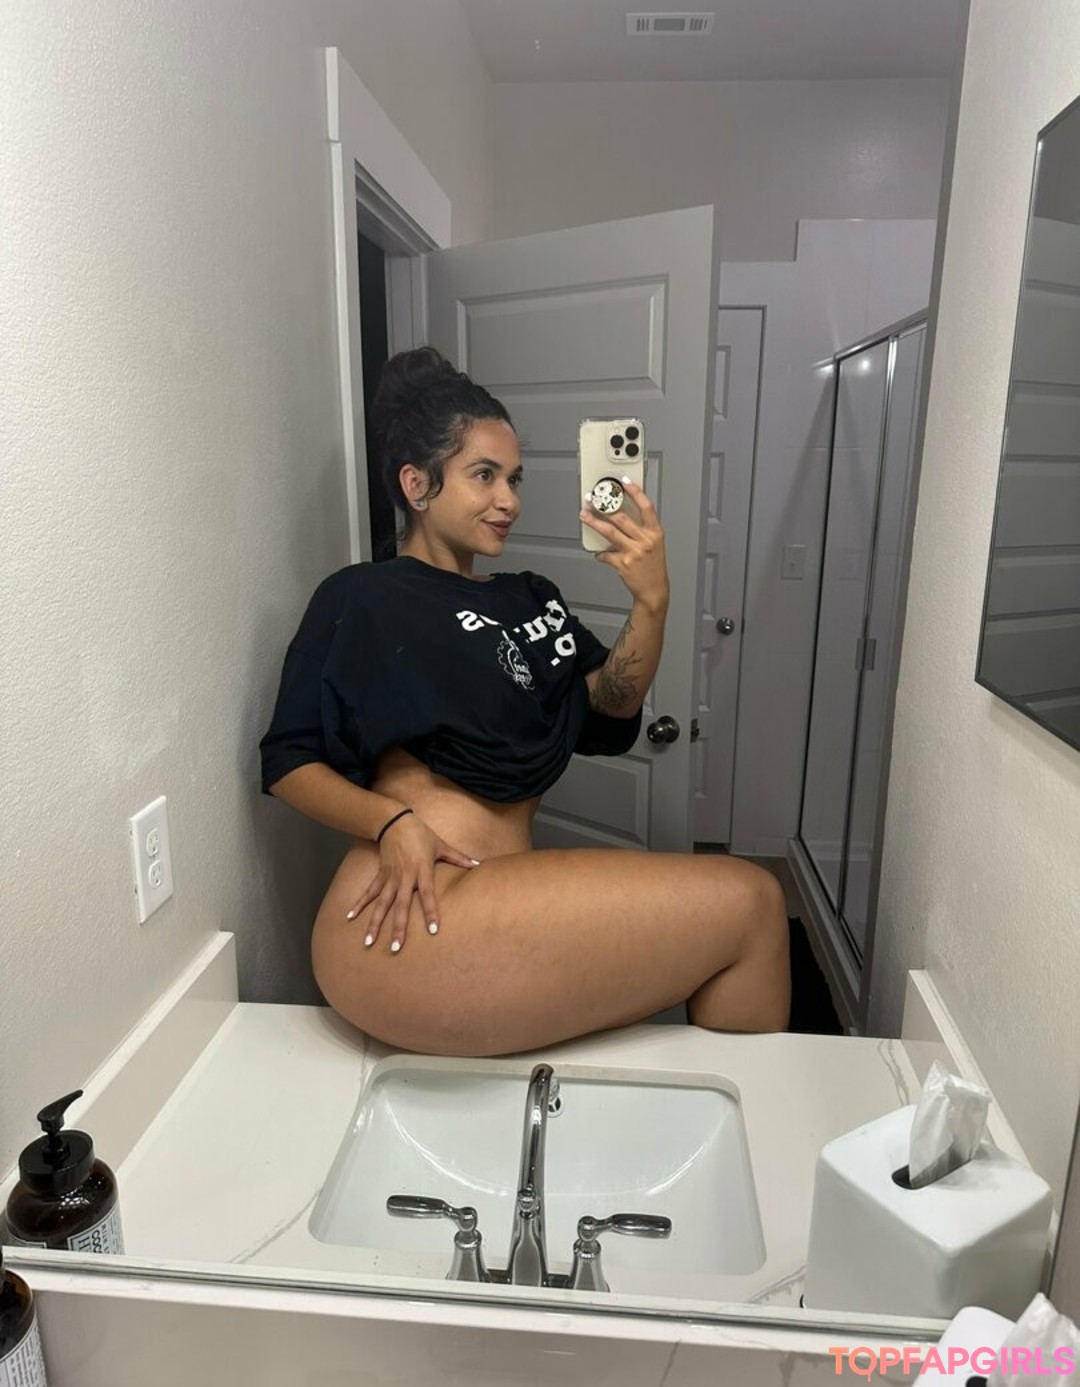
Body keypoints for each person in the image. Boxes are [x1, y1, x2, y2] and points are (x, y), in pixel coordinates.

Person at [259, 347, 790, 1055]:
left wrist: (652, 602)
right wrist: (390, 822)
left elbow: (610, 706)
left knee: (746, 918)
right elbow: (287, 760)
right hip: (411, 911)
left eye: (514, 478)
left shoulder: (531, 597)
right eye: (484, 475)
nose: (509, 499)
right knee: (755, 902)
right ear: (417, 484)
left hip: (493, 901)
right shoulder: (362, 596)